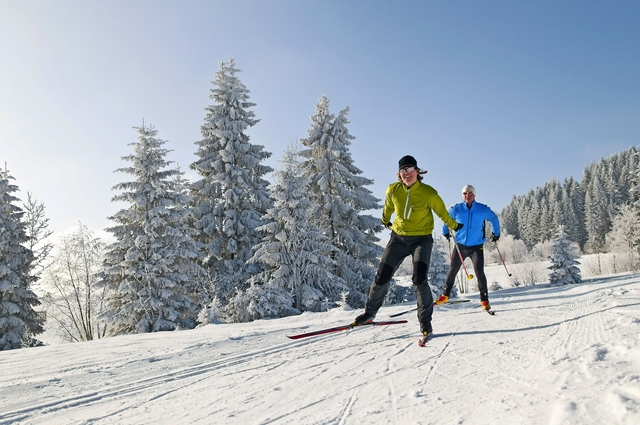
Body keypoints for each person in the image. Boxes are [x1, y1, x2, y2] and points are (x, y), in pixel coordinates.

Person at [352, 155, 463, 341]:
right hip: (398, 239)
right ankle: (369, 313)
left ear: (417, 172)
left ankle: (425, 322)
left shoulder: (429, 193)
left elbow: (441, 212)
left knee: (419, 280)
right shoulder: (393, 189)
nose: (407, 173)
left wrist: (453, 225)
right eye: (403, 170)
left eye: (410, 169)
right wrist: (386, 220)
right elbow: (388, 207)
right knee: (382, 276)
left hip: (422, 240)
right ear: (399, 174)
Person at [437, 184, 500, 312]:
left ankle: (484, 300)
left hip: (476, 246)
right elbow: (446, 219)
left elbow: (493, 218)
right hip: (460, 245)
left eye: (470, 193)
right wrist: (445, 232)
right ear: (462, 195)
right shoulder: (456, 209)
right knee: (453, 269)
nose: (467, 195)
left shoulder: (482, 209)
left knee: (479, 271)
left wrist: (496, 233)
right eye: (465, 193)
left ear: (474, 195)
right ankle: (445, 295)